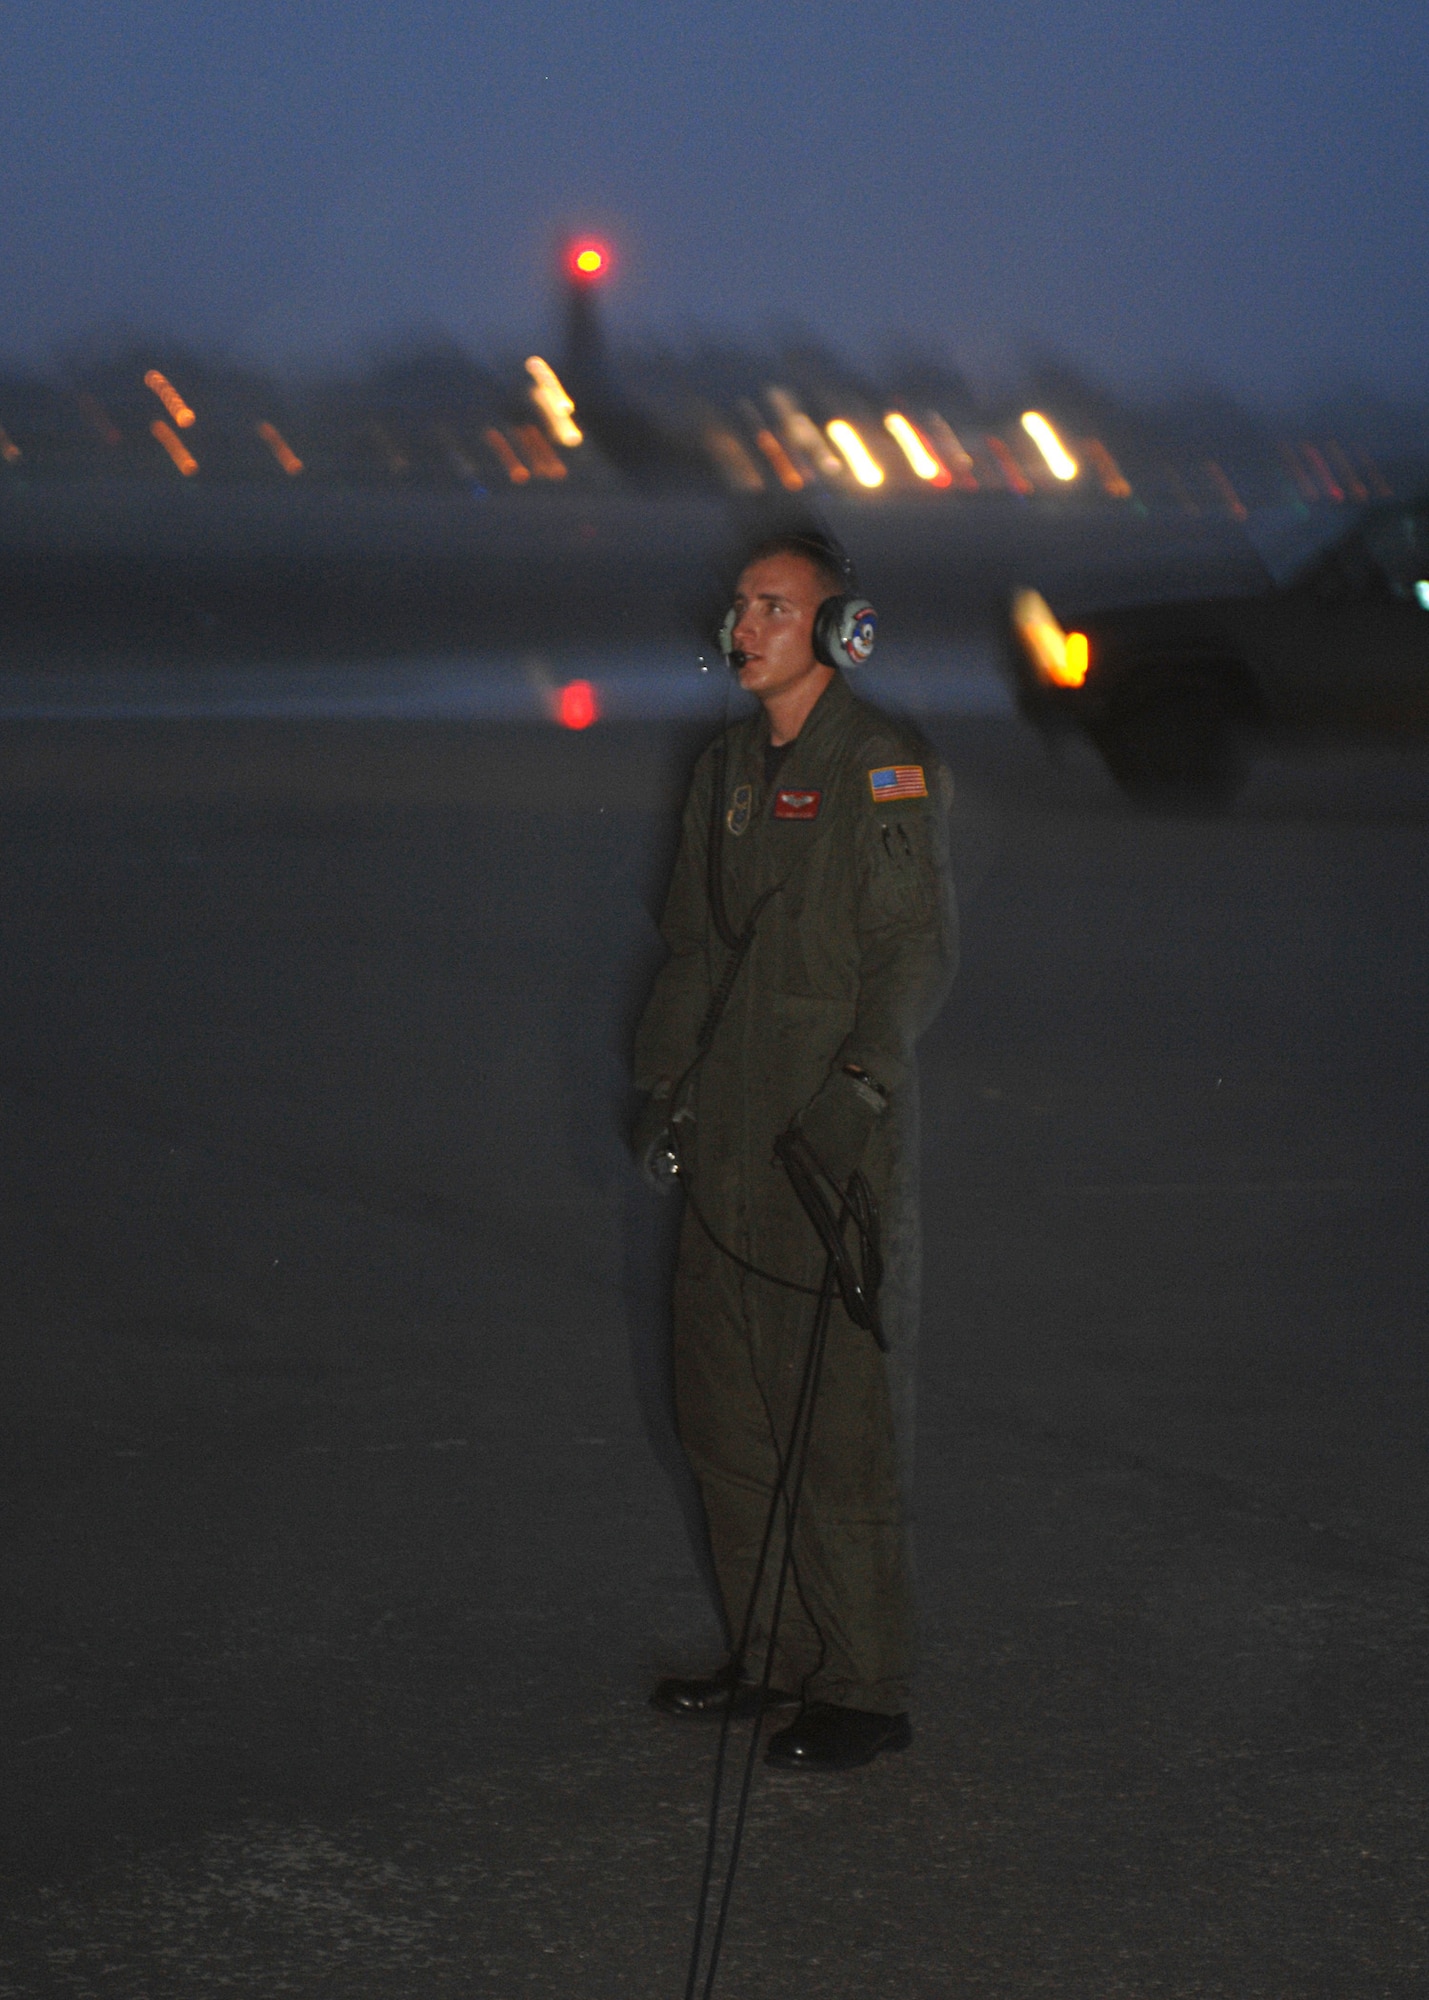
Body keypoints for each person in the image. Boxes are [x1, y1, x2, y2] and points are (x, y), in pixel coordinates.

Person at [632, 532, 957, 1771]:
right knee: (722, 1410)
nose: (745, 621)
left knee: (831, 1422)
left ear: (837, 631)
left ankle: (864, 1684)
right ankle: (765, 1653)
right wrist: (661, 1084)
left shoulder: (879, 766)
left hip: (822, 1145)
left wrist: (856, 1095)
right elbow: (691, 949)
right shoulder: (722, 765)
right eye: (740, 602)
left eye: (775, 604)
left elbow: (908, 960)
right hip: (723, 1135)